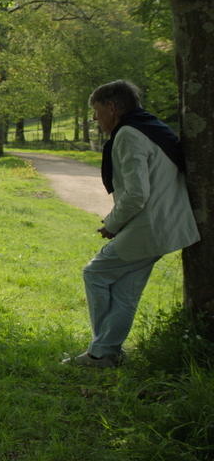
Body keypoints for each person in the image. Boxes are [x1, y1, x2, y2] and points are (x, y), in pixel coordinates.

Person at [65, 80, 199, 368]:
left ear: (112, 108)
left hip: (149, 226)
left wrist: (112, 224)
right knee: (126, 290)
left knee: (95, 273)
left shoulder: (128, 133)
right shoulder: (150, 127)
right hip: (165, 225)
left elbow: (137, 194)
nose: (95, 118)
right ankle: (106, 352)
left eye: (97, 111)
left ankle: (102, 352)